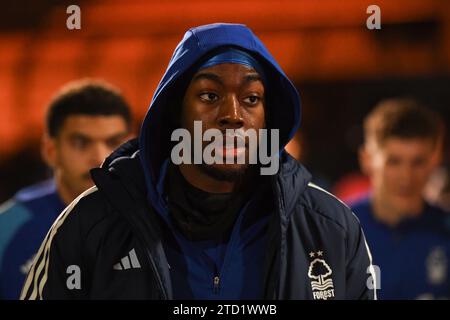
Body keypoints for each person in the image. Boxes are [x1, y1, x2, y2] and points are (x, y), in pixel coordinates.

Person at [21, 23, 376, 300]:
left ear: (270, 120)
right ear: (173, 112)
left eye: (251, 98)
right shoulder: (90, 223)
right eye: (210, 95)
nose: (233, 115)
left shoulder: (332, 227)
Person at [0, 79, 133, 299]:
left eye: (113, 142)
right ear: (50, 150)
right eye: (81, 142)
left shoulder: (159, 219)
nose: (99, 158)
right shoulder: (7, 230)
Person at [351, 98, 450, 299]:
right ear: (367, 159)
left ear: (435, 161)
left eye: (418, 162)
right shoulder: (338, 231)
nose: (406, 177)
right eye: (393, 162)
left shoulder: (445, 231)